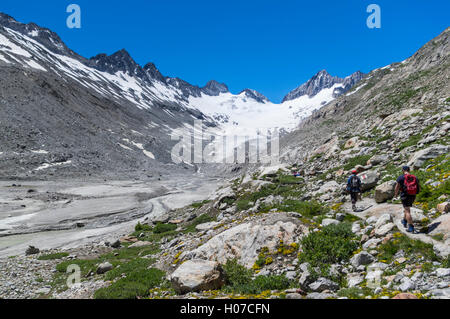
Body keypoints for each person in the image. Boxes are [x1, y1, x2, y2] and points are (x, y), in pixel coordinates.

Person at [394, 166, 420, 233]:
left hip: (405, 195)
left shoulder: (401, 177)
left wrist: (395, 194)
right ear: (409, 170)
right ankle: (404, 221)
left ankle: (411, 227)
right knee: (407, 208)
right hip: (412, 195)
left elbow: (397, 187)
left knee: (407, 211)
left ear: (403, 170)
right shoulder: (414, 177)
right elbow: (419, 187)